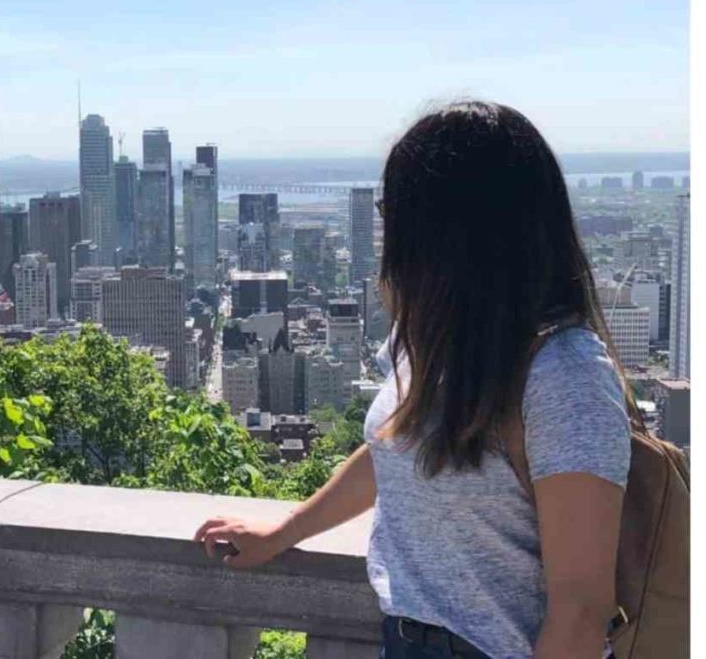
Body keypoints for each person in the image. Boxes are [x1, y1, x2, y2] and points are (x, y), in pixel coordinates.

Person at [194, 101, 633, 659]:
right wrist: (286, 531)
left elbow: (581, 608)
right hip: (405, 638)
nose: (387, 230)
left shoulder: (564, 374)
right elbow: (393, 449)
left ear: (454, 227)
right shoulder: (436, 339)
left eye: (395, 209)